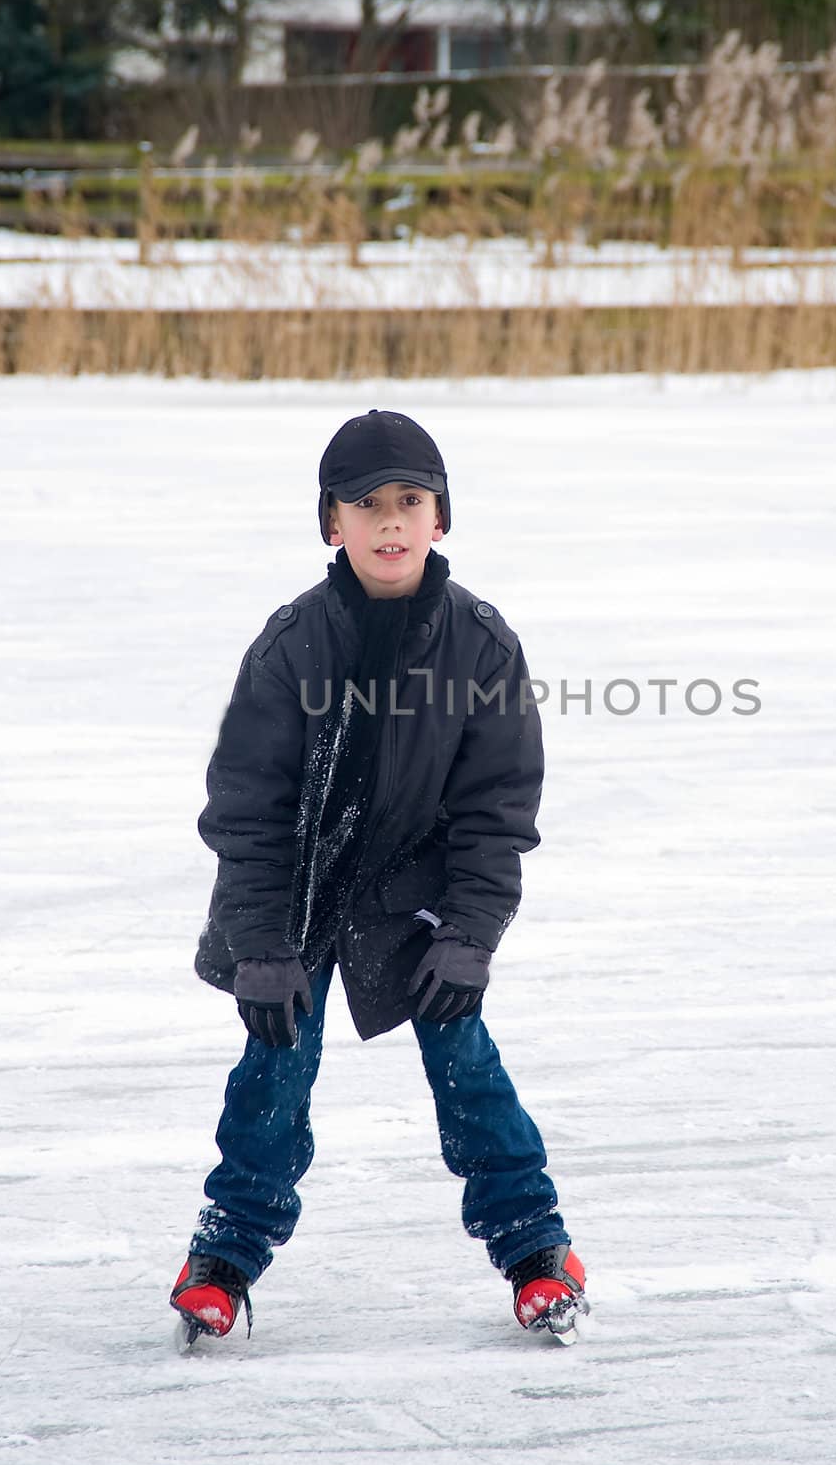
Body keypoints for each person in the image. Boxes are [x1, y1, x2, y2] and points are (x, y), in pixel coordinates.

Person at [170, 409, 586, 1345]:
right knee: (275, 1067)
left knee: (463, 1063)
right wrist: (263, 950)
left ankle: (537, 1251)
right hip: (297, 901)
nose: (390, 522)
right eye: (366, 505)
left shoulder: (480, 644)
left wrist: (469, 936)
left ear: (441, 518)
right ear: (332, 525)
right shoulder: (291, 645)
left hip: (420, 899)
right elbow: (246, 811)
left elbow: (496, 811)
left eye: (410, 501)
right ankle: (224, 1258)